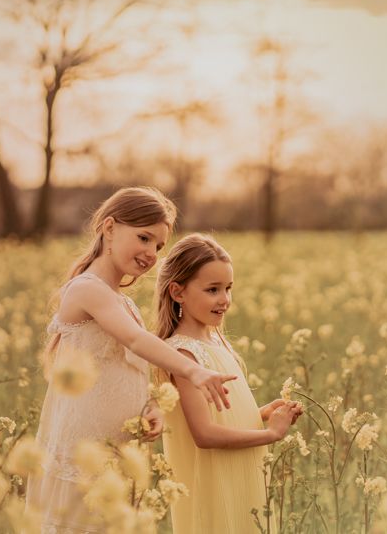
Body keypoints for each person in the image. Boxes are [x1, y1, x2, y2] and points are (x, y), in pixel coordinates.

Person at [26, 188, 238, 533]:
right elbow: (137, 341)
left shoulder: (122, 302)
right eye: (143, 237)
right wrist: (194, 370)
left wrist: (150, 406)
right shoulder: (87, 289)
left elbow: (129, 367)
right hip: (83, 452)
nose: (151, 253)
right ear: (109, 228)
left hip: (115, 453)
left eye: (158, 246)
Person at [153, 233, 303, 534]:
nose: (224, 300)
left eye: (228, 289)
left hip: (238, 471)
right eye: (212, 290)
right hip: (215, 479)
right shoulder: (183, 354)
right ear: (177, 292)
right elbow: (204, 434)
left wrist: (259, 413)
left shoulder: (214, 341)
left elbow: (218, 413)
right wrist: (271, 434)